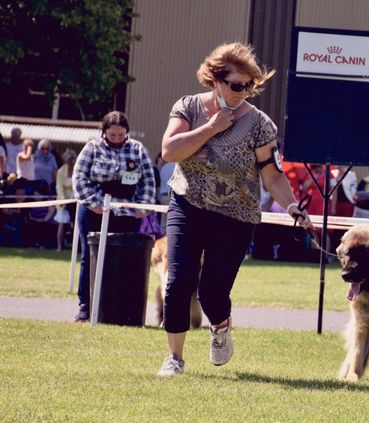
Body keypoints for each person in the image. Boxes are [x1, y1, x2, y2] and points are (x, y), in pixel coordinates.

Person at [157, 42, 312, 377]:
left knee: (212, 291)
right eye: (236, 85)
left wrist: (292, 206)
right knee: (178, 278)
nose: (243, 92)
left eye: (248, 86)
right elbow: (169, 151)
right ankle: (175, 358)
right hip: (187, 203)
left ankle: (221, 327)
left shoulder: (259, 124)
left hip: (235, 215)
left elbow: (272, 175)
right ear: (215, 80)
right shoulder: (188, 107)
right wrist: (211, 127)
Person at [72, 111, 156, 322]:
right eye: (112, 135)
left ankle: (121, 307)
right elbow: (79, 177)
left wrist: (142, 205)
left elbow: (148, 180)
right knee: (90, 257)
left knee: (126, 258)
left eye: (120, 134)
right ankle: (86, 307)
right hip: (95, 210)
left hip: (127, 210)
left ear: (126, 131)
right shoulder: (92, 148)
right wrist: (95, 202)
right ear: (104, 132)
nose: (117, 139)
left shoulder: (137, 149)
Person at [55, 150, 77, 251]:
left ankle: (75, 248)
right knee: (62, 223)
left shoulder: (78, 169)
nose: (71, 165)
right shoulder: (60, 171)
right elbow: (59, 187)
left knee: (76, 224)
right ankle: (59, 247)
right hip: (64, 200)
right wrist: (63, 201)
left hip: (76, 200)